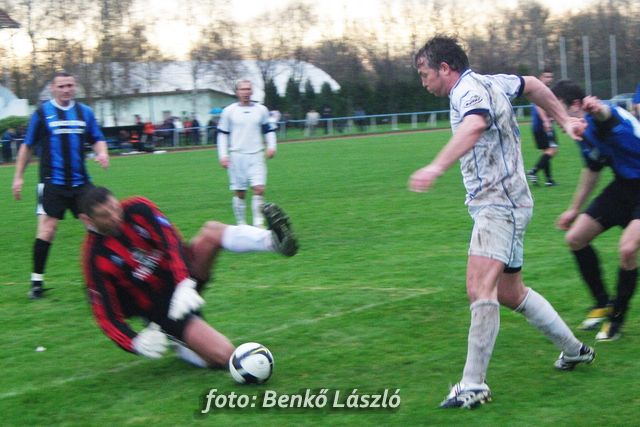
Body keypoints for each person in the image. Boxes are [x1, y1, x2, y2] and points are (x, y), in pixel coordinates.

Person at [408, 36, 594, 409]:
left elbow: (475, 124)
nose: (423, 82)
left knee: (479, 287)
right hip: (508, 202)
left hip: (499, 204)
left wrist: (436, 166)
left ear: (445, 68)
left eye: (425, 74)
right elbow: (533, 84)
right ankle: (574, 350)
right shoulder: (492, 82)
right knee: (510, 292)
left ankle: (473, 384)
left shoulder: (467, 91)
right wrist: (565, 120)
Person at [79, 186, 297, 366]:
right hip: (164, 312)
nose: (115, 217)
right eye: (105, 216)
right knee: (227, 356)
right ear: (87, 220)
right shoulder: (94, 259)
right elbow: (106, 317)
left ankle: (274, 241)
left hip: (183, 278)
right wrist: (134, 342)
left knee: (211, 232)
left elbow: (171, 242)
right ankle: (184, 346)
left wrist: (183, 282)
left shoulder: (138, 208)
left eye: (115, 208)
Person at [553, 80, 640, 342]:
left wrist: (597, 109)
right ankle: (603, 303)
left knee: (627, 249)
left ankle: (616, 320)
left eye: (558, 110)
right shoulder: (581, 132)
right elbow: (593, 169)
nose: (556, 118)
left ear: (576, 105)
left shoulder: (601, 116)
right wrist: (573, 210)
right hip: (624, 187)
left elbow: (607, 118)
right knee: (575, 238)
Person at [12, 71, 109, 300]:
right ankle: (37, 283)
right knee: (47, 230)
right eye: (61, 86)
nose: (66, 90)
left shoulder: (84, 112)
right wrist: (18, 176)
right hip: (52, 183)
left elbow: (97, 138)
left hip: (81, 183)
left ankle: (97, 282)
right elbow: (27, 146)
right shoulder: (42, 113)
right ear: (52, 89)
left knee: (96, 226)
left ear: (75, 87)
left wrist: (102, 153)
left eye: (70, 85)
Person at [217, 80, 277, 227]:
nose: (245, 92)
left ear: (252, 91)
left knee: (259, 189)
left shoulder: (261, 110)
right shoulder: (229, 111)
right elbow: (222, 134)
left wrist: (271, 146)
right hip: (237, 156)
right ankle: (241, 224)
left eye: (248, 89)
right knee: (240, 193)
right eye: (242, 89)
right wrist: (223, 155)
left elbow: (269, 130)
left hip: (256, 155)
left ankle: (258, 223)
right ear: (237, 92)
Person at [527, 69, 559, 187]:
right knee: (553, 149)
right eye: (546, 77)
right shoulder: (540, 89)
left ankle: (549, 180)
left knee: (546, 151)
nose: (549, 79)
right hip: (543, 126)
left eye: (551, 77)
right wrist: (546, 120)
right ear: (541, 77)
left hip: (538, 126)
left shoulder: (540, 89)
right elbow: (539, 106)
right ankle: (533, 171)